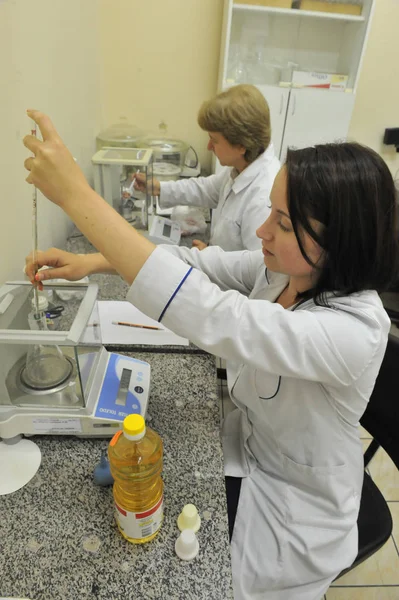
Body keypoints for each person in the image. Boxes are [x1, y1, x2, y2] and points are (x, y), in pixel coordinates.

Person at [24, 111, 398, 600]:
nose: (262, 232)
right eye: (270, 213)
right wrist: (94, 260)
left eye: (282, 223)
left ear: (338, 242)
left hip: (298, 509)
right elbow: (201, 263)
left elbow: (219, 316)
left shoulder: (355, 331)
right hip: (256, 446)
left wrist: (76, 196)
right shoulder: (290, 272)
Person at [134, 84, 280, 251]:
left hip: (226, 276)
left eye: (214, 140)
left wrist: (211, 260)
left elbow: (255, 270)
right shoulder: (242, 167)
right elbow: (207, 189)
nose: (209, 146)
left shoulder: (263, 199)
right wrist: (159, 187)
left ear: (241, 145)